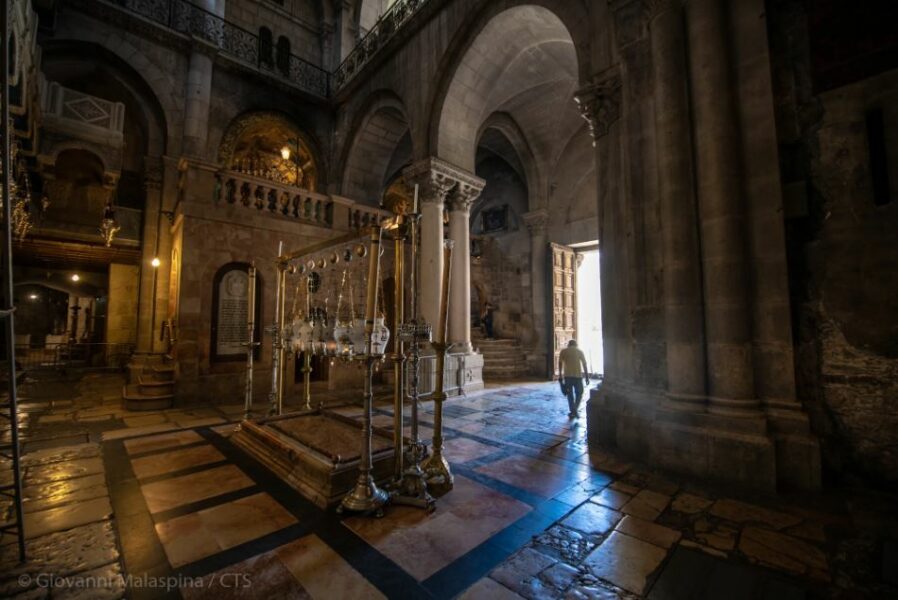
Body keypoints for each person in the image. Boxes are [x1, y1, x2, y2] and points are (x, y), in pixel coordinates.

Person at [558, 339, 589, 418]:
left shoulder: (564, 351)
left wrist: (560, 375)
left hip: (568, 376)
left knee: (569, 395)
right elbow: (584, 364)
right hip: (578, 376)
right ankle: (575, 409)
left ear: (569, 344)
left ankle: (573, 411)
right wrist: (587, 377)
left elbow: (560, 363)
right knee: (579, 393)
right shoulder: (579, 351)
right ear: (576, 345)